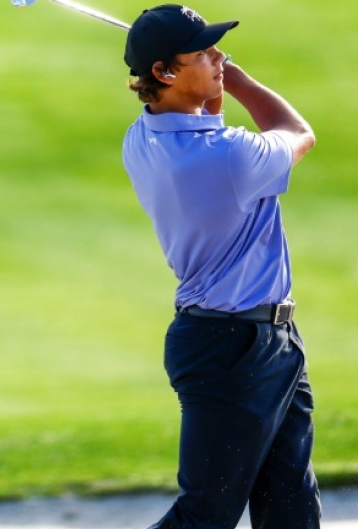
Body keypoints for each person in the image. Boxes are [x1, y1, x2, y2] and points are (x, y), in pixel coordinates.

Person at [121, 4, 319, 529]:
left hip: (258, 342)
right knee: (205, 515)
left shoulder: (144, 137)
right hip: (235, 349)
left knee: (290, 504)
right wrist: (242, 82)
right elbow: (297, 132)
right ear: (164, 72)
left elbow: (202, 115)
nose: (219, 58)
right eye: (205, 52)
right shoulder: (226, 158)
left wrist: (209, 79)